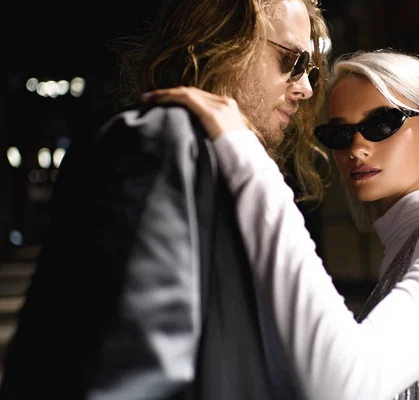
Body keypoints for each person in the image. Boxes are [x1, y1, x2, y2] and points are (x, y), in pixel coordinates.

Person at [140, 49, 419, 399]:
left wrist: (245, 157)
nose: (358, 147)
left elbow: (347, 385)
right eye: (340, 133)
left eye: (382, 124)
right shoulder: (407, 245)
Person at [0, 0, 329, 399]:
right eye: (292, 61)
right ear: (225, 43)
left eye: (310, 70)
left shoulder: (221, 160)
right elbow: (128, 377)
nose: (306, 88)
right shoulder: (162, 143)